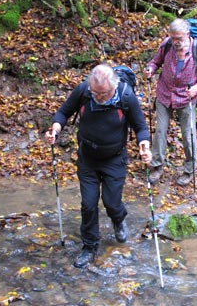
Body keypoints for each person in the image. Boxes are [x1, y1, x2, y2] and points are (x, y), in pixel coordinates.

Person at [45, 64, 152, 268]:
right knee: (88, 203)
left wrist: (144, 147)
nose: (98, 97)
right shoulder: (84, 91)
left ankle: (119, 219)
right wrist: (55, 131)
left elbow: (140, 127)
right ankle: (90, 246)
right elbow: (63, 113)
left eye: (103, 94)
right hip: (88, 158)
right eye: (95, 92)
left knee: (112, 202)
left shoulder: (126, 96)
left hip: (115, 158)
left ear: (113, 87)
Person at [143, 18, 197, 186]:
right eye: (173, 38)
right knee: (160, 131)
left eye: (179, 38)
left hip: (186, 98)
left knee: (188, 136)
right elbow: (156, 61)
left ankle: (189, 170)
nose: (175, 42)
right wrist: (150, 69)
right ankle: (156, 166)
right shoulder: (167, 45)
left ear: (187, 35)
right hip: (164, 94)